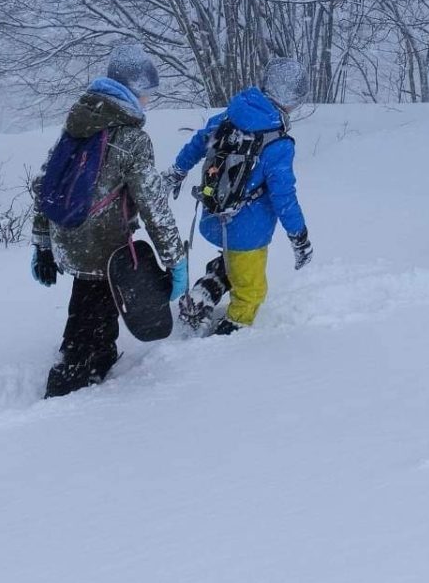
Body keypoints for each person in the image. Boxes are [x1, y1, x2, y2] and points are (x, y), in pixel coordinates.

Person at [30, 41, 186, 397]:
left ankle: (86, 350)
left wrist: (42, 242)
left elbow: (47, 182)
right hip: (105, 245)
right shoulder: (132, 138)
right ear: (131, 91)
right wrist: (175, 260)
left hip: (67, 236)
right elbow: (154, 205)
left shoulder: (78, 122)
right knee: (99, 307)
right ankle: (74, 377)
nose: (148, 101)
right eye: (146, 93)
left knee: (87, 297)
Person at [170, 58, 311, 335]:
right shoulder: (277, 142)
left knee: (230, 262)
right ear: (290, 98)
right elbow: (284, 196)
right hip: (248, 232)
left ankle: (204, 292)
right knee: (251, 290)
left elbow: (199, 142)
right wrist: (299, 237)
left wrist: (178, 170)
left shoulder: (230, 116)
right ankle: (229, 336)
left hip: (214, 215)